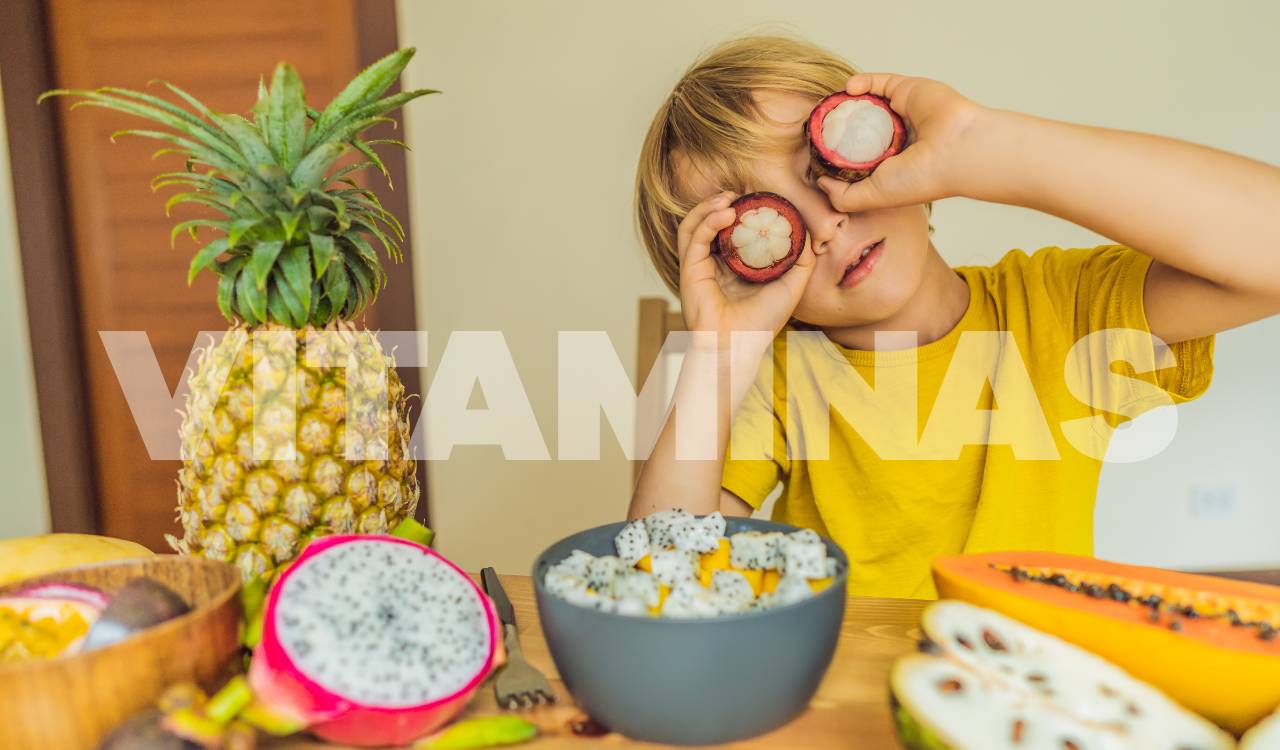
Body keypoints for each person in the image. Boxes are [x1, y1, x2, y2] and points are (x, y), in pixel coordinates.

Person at [628, 35, 1280, 598]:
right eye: (767, 226)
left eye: (823, 165)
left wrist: (979, 144)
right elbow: (659, 578)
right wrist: (720, 356)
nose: (826, 225)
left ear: (895, 143)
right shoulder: (773, 377)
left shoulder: (1064, 308)